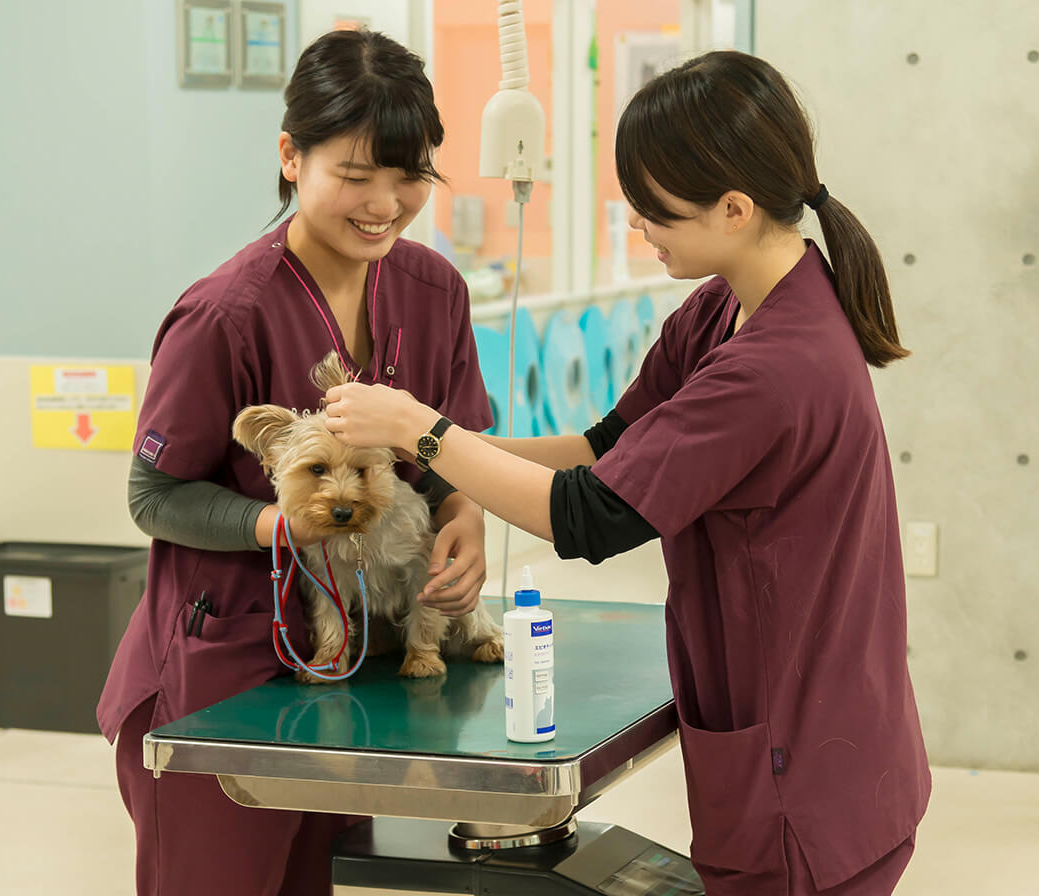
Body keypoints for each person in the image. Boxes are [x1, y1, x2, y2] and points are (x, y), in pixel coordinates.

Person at [322, 50, 931, 896]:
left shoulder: (773, 367)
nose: (641, 228)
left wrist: (423, 434)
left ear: (734, 207)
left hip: (808, 778)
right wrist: (431, 450)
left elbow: (591, 515)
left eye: (657, 214)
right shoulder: (728, 305)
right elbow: (604, 448)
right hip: (818, 750)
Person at [98, 29, 493, 896]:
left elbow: (455, 451)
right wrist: (290, 524)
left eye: (410, 175)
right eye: (355, 177)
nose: (384, 204)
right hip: (224, 679)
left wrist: (465, 519)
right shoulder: (224, 316)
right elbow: (152, 494)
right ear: (290, 156)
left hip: (356, 677)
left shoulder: (435, 292)